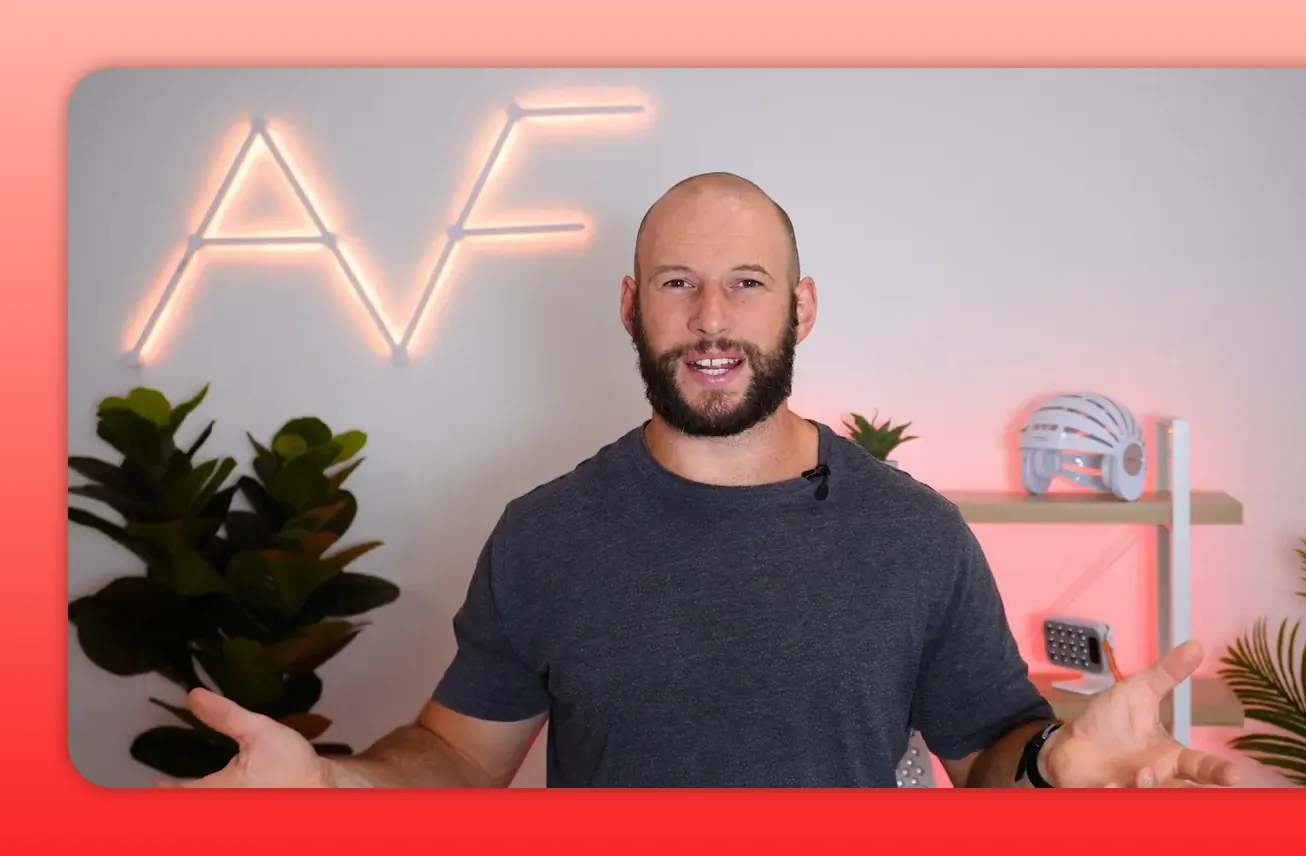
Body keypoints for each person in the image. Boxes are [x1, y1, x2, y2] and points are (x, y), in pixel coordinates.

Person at [164, 172, 1243, 789]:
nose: (712, 319)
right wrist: (333, 783)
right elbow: (454, 754)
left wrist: (1053, 764)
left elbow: (990, 754)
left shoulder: (914, 535)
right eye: (678, 283)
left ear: (801, 308)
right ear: (631, 306)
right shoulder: (545, 535)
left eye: (747, 284)